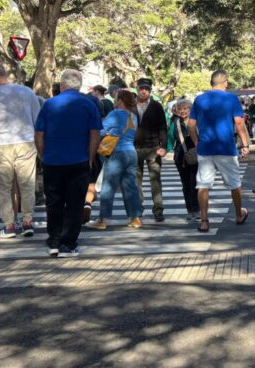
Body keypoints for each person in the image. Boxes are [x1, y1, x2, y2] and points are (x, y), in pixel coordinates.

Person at [34, 69, 102, 257]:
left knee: (54, 202)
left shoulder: (49, 104)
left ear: (62, 84)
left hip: (53, 160)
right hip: (78, 160)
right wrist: (90, 157)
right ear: (79, 85)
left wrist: (43, 155)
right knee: (74, 203)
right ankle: (68, 243)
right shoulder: (89, 104)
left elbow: (39, 135)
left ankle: (54, 240)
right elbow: (95, 134)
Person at [0, 64, 42, 239]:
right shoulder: (27, 92)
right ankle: (28, 221)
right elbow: (38, 119)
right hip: (26, 142)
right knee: (27, 185)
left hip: (1, 144)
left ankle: (9, 225)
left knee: (3, 188)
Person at [188, 70, 250, 232]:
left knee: (203, 185)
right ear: (225, 83)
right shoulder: (231, 98)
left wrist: (196, 143)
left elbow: (191, 125)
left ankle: (204, 221)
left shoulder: (199, 99)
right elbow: (239, 123)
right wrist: (245, 144)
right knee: (234, 184)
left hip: (205, 148)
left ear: (211, 82)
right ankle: (238, 214)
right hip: (226, 148)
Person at [89, 90, 142, 230]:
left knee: (108, 187)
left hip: (116, 153)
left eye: (116, 98)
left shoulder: (114, 114)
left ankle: (102, 219)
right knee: (130, 186)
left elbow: (100, 131)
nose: (114, 100)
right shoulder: (134, 116)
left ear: (120, 101)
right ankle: (135, 218)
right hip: (131, 152)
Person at [133, 77, 168, 222]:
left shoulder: (156, 106)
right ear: (137, 89)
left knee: (155, 180)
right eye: (141, 88)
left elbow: (163, 128)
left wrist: (163, 147)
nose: (144, 91)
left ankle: (158, 210)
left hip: (153, 147)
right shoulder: (130, 105)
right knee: (136, 181)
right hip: (134, 148)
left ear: (150, 90)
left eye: (146, 89)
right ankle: (137, 210)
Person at [169, 99, 199, 220]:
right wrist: (163, 149)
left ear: (190, 109)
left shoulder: (197, 121)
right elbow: (170, 139)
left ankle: (197, 208)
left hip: (197, 153)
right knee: (186, 183)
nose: (182, 111)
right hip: (181, 156)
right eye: (180, 109)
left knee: (196, 182)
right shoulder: (175, 122)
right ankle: (190, 209)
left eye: (185, 108)